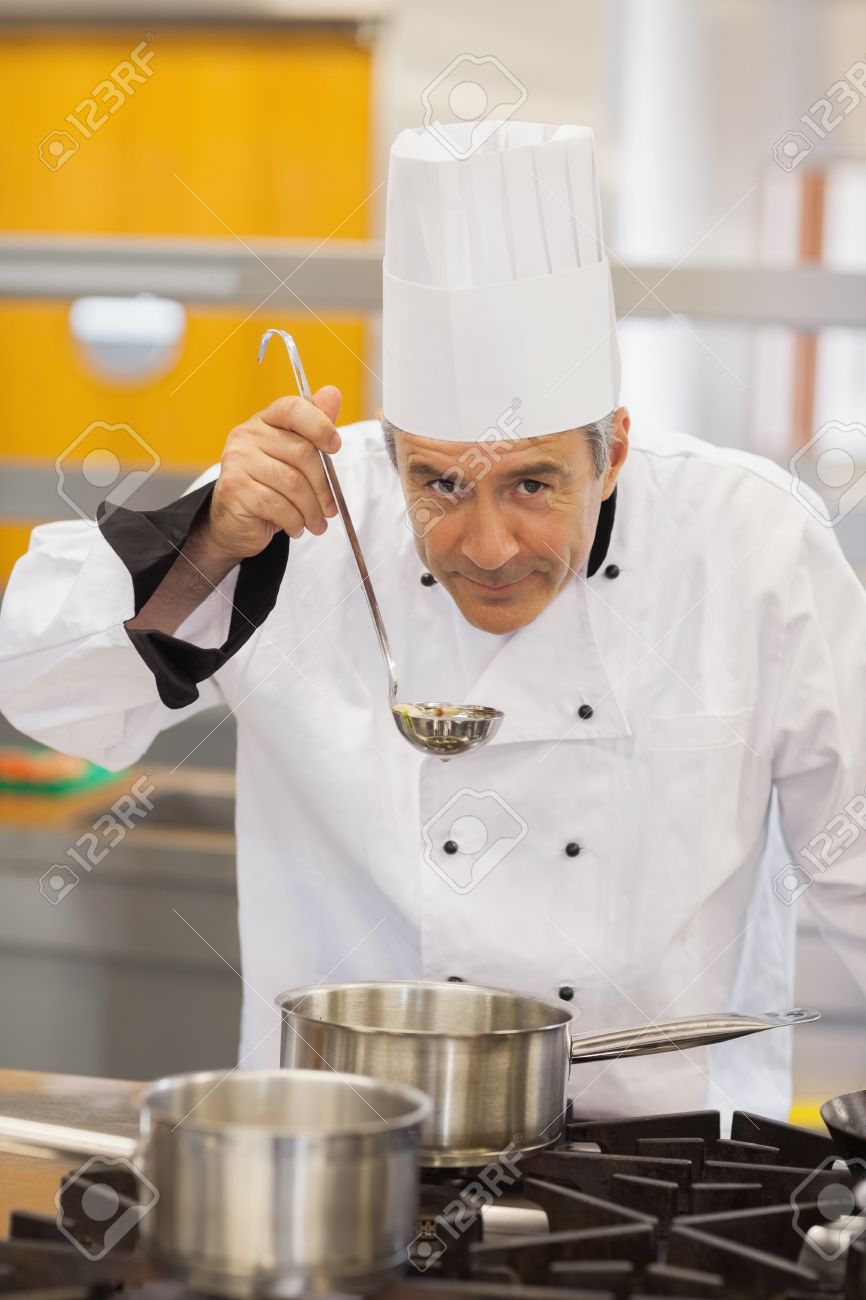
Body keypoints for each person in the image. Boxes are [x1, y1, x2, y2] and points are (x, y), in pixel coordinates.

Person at [1, 121, 864, 1121]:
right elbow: (40, 687)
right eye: (438, 481)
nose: (486, 543)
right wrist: (206, 539)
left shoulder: (749, 543)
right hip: (331, 1153)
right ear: (391, 449)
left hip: (662, 1164)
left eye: (533, 483)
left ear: (613, 450)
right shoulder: (300, 512)